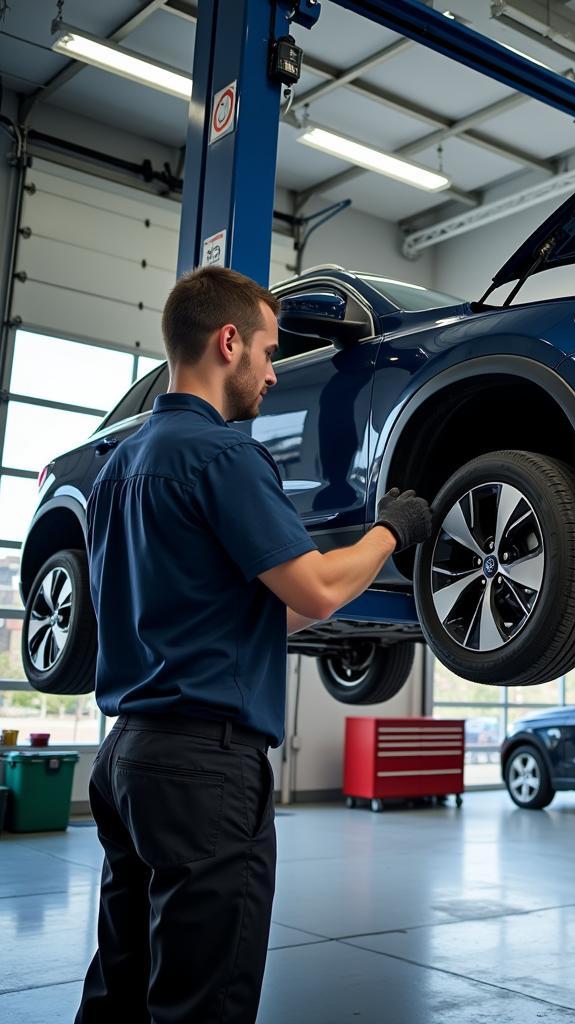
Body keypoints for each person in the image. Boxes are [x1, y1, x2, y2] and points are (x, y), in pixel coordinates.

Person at [75, 266, 432, 1023]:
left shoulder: (115, 471)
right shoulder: (224, 456)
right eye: (269, 352)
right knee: (204, 1001)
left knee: (120, 987)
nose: (273, 374)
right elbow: (320, 590)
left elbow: (249, 614)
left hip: (129, 760)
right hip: (205, 769)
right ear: (228, 341)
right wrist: (390, 530)